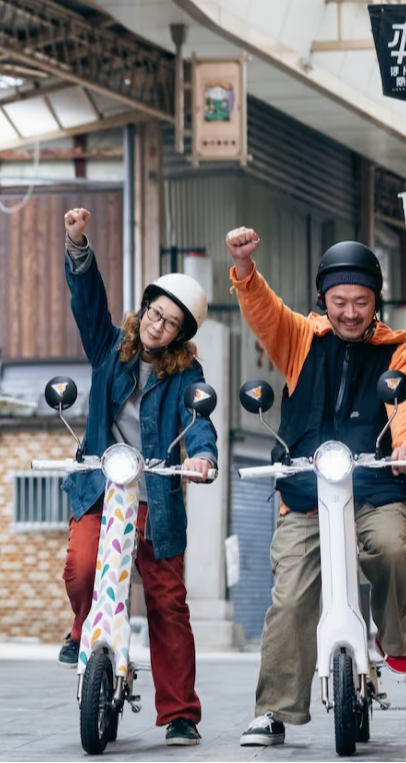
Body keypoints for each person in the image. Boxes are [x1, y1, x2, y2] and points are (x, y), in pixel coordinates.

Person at [226, 228, 406, 746]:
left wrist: (402, 443)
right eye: (339, 301)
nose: (350, 312)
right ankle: (273, 710)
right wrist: (244, 270)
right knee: (289, 597)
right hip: (307, 494)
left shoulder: (397, 350)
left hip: (375, 491)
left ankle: (395, 640)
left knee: (394, 547)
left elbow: (403, 403)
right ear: (323, 298)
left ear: (376, 301)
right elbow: (264, 312)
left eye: (361, 302)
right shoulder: (302, 338)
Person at [57, 208, 217, 746]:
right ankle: (83, 628)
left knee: (167, 602)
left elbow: (199, 418)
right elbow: (87, 301)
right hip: (101, 490)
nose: (158, 324)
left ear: (181, 334)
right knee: (82, 569)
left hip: (157, 501)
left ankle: (180, 714)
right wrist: (77, 244)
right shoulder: (109, 348)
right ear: (144, 308)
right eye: (155, 312)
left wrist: (202, 456)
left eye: (171, 322)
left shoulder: (187, 373)